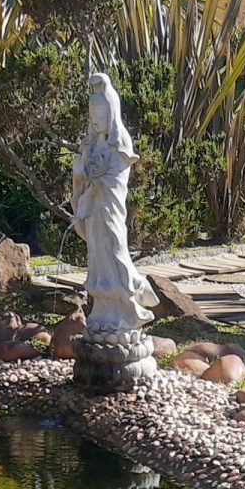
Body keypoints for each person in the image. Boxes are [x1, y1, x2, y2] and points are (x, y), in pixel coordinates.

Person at [71, 73, 158, 334]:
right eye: (92, 110)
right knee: (97, 257)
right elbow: (81, 184)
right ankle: (102, 310)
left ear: (111, 110)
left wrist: (94, 180)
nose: (95, 116)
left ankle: (129, 305)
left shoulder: (119, 145)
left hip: (109, 210)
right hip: (93, 213)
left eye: (100, 109)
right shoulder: (89, 146)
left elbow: (116, 181)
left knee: (114, 252)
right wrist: (79, 177)